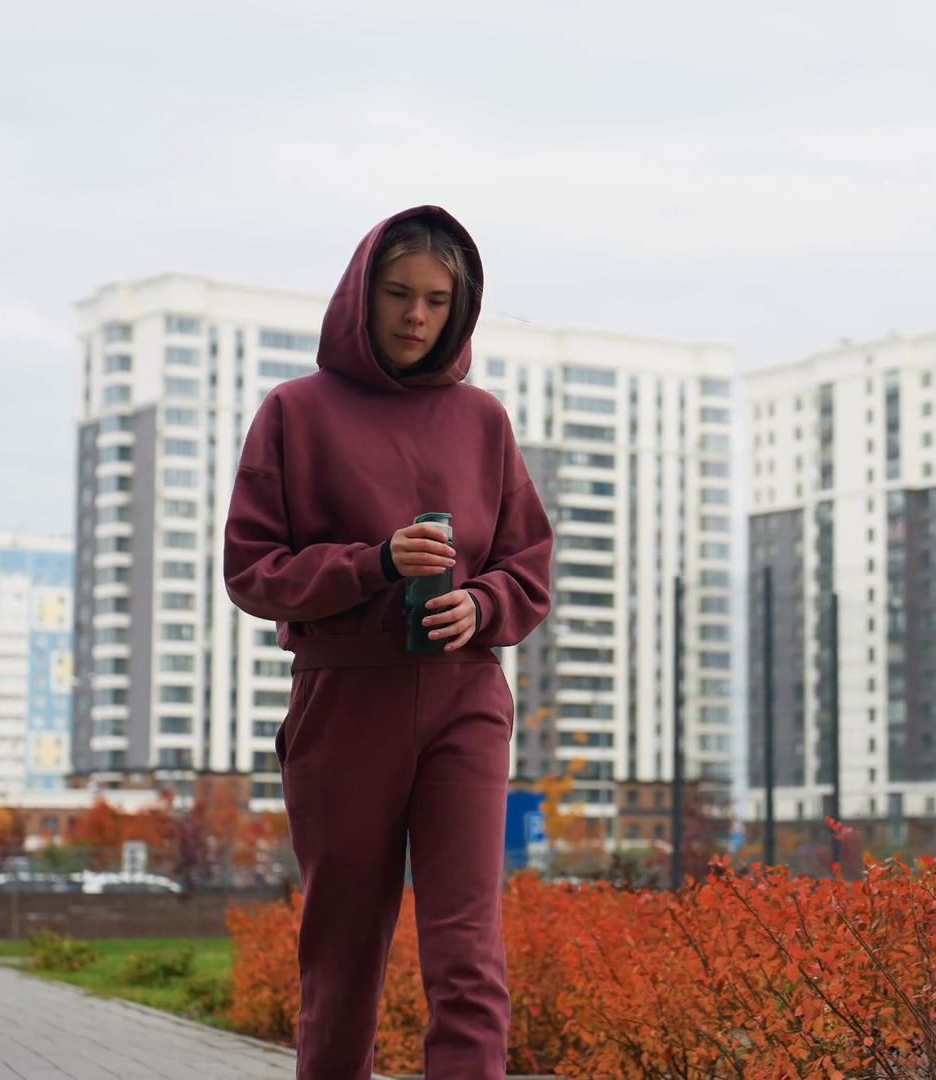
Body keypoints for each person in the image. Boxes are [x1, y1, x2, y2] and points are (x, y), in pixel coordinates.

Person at [223, 206, 553, 1080]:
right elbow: (251, 570)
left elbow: (528, 565)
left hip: (465, 697)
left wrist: (482, 605)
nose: (416, 316)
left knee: (468, 949)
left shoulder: (483, 420)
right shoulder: (294, 412)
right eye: (399, 293)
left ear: (460, 308)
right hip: (345, 699)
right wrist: (373, 562)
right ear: (361, 295)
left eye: (438, 301)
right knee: (341, 952)